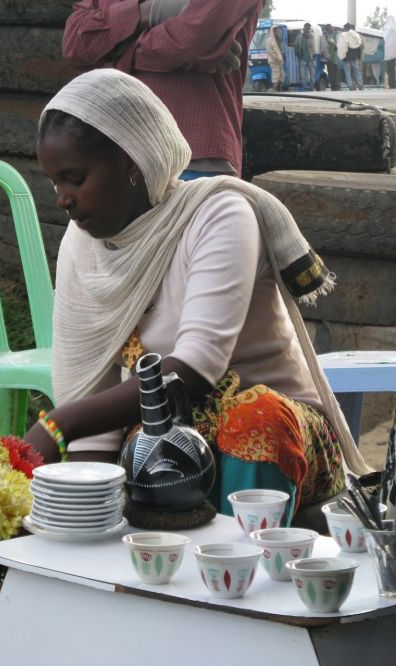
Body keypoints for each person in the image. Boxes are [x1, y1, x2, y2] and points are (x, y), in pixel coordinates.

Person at [25, 68, 370, 522]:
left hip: (283, 428)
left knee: (251, 420)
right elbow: (91, 393)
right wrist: (91, 509)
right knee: (139, 454)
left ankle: (248, 570)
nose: (62, 200)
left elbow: (195, 369)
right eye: (55, 183)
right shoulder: (82, 246)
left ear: (132, 163)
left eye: (74, 177)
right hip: (168, 427)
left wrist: (59, 425)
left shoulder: (218, 215)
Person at [62, 0, 266, 179]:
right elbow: (74, 44)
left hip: (195, 159)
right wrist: (147, 11)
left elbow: (189, 42)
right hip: (116, 156)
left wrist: (114, 49)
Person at [337, 23, 364, 91]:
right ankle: (360, 85)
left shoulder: (342, 35)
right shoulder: (355, 34)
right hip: (354, 56)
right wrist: (359, 55)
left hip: (346, 57)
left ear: (345, 28)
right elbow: (359, 44)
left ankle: (350, 86)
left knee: (347, 72)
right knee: (357, 71)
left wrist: (342, 55)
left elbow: (340, 47)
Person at [293, 23, 316, 90]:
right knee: (302, 75)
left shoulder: (312, 36)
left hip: (311, 58)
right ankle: (305, 87)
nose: (307, 30)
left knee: (312, 74)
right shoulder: (299, 37)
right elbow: (295, 45)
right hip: (302, 58)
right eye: (306, 28)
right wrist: (298, 53)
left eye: (308, 28)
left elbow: (313, 46)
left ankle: (311, 87)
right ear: (303, 29)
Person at [321, 24, 340, 91]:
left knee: (336, 73)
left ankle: (336, 87)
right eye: (331, 28)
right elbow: (323, 49)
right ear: (328, 29)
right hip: (329, 58)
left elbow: (333, 48)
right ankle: (333, 87)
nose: (332, 29)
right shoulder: (324, 37)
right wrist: (328, 57)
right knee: (332, 73)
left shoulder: (331, 37)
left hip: (334, 58)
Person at [266, 26, 284, 91]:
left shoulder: (278, 39)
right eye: (275, 31)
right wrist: (276, 57)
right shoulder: (269, 40)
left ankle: (279, 90)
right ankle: (274, 90)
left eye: (277, 31)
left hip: (280, 61)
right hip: (273, 61)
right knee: (275, 76)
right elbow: (269, 51)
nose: (277, 32)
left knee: (282, 76)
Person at [384, 15, 396, 89]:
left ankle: (392, 84)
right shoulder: (394, 27)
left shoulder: (386, 29)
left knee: (390, 69)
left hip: (389, 53)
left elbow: (384, 39)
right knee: (391, 69)